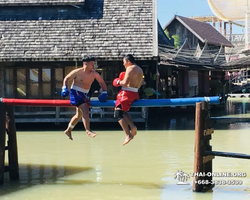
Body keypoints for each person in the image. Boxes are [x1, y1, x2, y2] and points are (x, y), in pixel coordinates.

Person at [61, 56, 108, 140]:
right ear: (86, 63)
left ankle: (68, 130)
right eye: (92, 64)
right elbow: (66, 79)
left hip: (86, 94)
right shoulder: (77, 72)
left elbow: (102, 82)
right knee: (85, 109)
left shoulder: (94, 73)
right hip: (76, 92)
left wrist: (104, 91)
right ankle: (88, 130)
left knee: (78, 115)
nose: (94, 65)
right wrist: (64, 88)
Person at [113, 54, 143, 146]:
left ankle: (127, 135)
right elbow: (140, 84)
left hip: (126, 93)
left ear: (128, 61)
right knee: (123, 111)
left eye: (124, 62)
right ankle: (133, 127)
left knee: (117, 113)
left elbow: (125, 83)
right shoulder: (140, 69)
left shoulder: (130, 68)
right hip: (135, 93)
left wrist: (117, 82)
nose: (124, 64)